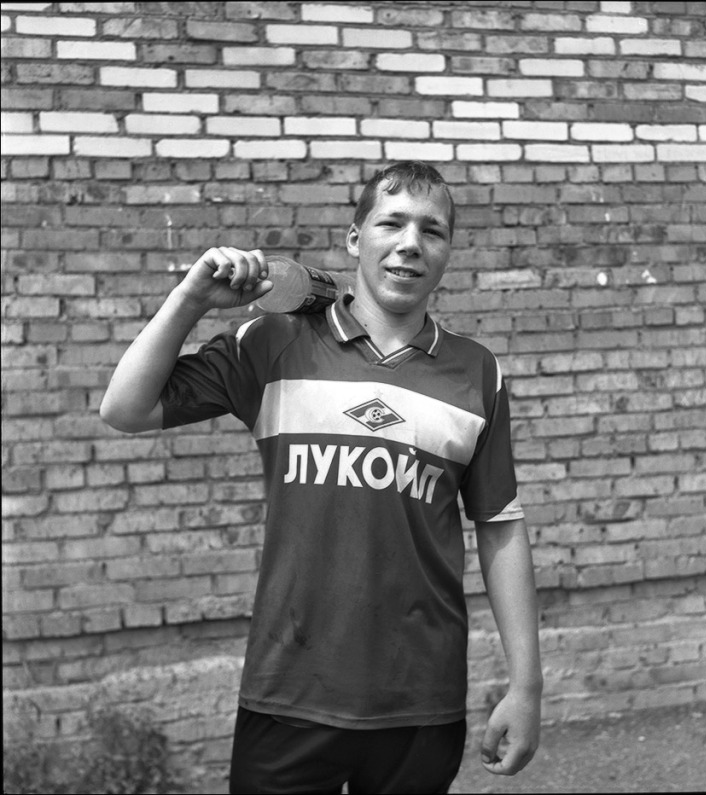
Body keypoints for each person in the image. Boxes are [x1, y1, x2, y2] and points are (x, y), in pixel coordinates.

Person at [100, 161, 542, 794]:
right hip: (288, 689)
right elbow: (124, 409)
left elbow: (499, 527)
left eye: (432, 230)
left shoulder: (477, 372)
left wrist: (527, 686)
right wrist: (191, 300)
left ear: (448, 251)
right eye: (391, 223)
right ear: (355, 239)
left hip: (420, 698)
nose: (410, 243)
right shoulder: (273, 342)